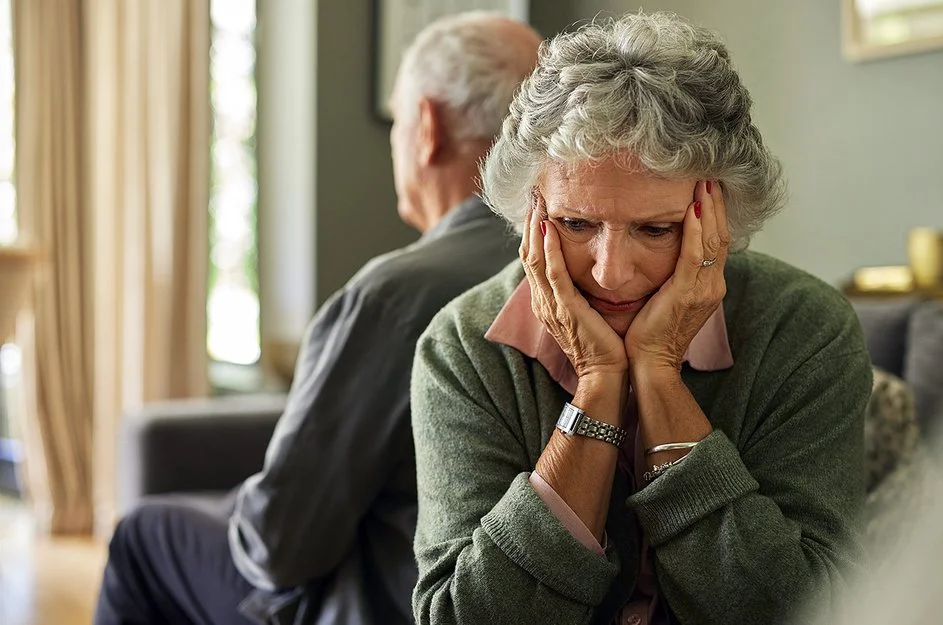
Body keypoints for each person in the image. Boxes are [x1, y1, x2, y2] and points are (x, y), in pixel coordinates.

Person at [410, 12, 871, 625]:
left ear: (721, 217)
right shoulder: (463, 346)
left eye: (656, 229)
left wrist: (658, 378)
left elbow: (809, 609)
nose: (611, 272)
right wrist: (599, 386)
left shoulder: (806, 330)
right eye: (576, 224)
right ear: (530, 211)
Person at [94, 12, 541, 625]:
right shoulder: (591, 270)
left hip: (387, 603)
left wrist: (242, 509)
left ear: (427, 128)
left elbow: (280, 544)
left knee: (142, 537)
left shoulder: (394, 296)